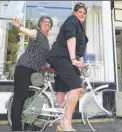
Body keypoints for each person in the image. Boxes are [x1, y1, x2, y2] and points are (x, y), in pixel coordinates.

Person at [47, 2, 88, 131]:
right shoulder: (72, 20)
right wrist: (73, 60)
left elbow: (78, 49)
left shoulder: (80, 27)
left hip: (64, 58)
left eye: (84, 13)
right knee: (76, 88)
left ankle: (59, 122)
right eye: (79, 11)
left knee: (62, 89)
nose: (82, 14)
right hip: (61, 57)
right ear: (74, 12)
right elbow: (71, 40)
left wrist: (81, 62)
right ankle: (66, 123)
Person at [11, 15, 53, 131]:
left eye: (49, 22)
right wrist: (19, 27)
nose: (47, 23)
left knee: (32, 100)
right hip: (24, 67)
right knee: (20, 98)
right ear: (40, 24)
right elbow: (30, 33)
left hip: (35, 72)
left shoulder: (46, 40)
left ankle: (29, 124)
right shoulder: (37, 32)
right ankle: (17, 128)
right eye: (44, 21)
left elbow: (46, 59)